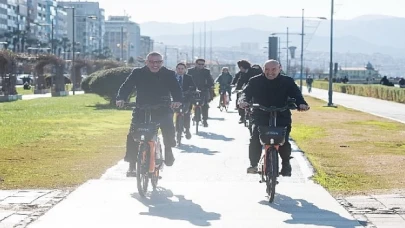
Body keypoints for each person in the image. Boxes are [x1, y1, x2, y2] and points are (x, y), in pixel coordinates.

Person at [238, 59, 310, 176]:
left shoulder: (287, 81)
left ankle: (286, 164)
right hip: (260, 114)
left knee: (284, 140)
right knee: (255, 137)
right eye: (267, 69)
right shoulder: (255, 81)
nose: (270, 72)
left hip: (281, 114)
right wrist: (243, 101)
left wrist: (301, 104)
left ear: (280, 69)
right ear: (263, 69)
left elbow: (296, 94)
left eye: (273, 69)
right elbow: (245, 93)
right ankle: (253, 164)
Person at [116, 52, 182, 177]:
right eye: (151, 62)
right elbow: (126, 87)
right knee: (133, 135)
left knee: (168, 129)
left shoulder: (169, 74)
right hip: (142, 108)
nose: (155, 65)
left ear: (162, 62)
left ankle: (168, 149)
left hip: (162, 108)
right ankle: (132, 166)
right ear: (146, 62)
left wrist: (177, 100)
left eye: (158, 62)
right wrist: (121, 98)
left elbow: (176, 89)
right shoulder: (137, 73)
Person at [187, 59, 214, 127]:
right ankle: (186, 119)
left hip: (203, 89)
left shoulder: (206, 71)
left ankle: (205, 120)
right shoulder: (190, 71)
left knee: (205, 104)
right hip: (192, 89)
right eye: (199, 64)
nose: (201, 66)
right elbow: (187, 79)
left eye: (202, 64)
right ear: (196, 64)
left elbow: (210, 80)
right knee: (188, 103)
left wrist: (210, 85)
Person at [175, 62, 196, 139]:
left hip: (186, 99)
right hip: (175, 99)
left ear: (185, 70)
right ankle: (176, 130)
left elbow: (194, 87)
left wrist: (191, 91)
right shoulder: (172, 77)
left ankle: (187, 129)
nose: (180, 70)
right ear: (176, 69)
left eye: (182, 69)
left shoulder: (188, 77)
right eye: (179, 69)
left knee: (187, 114)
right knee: (174, 113)